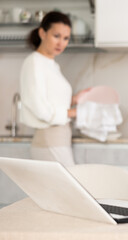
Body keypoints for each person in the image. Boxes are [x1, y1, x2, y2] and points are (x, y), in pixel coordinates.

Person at [19, 11, 89, 167]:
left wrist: (73, 100)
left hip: (59, 139)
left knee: (62, 190)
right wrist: (71, 112)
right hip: (50, 140)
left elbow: (50, 100)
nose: (61, 43)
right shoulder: (34, 62)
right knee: (70, 189)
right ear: (42, 33)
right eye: (56, 36)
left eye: (66, 38)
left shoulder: (52, 65)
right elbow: (38, 107)